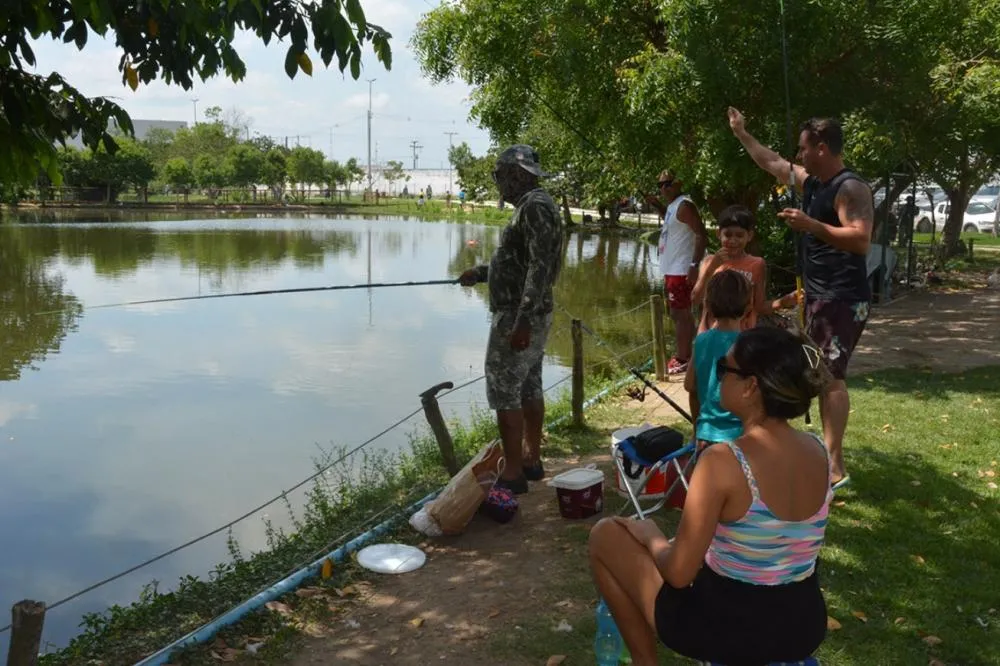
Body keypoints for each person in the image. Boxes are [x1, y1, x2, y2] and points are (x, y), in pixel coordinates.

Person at [589, 326, 833, 666]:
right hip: (800, 628)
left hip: (728, 631)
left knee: (605, 536)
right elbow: (773, 542)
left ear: (750, 387)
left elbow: (678, 574)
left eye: (723, 369)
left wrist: (652, 537)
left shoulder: (722, 461)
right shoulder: (819, 451)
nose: (716, 378)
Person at [728, 107, 873, 489]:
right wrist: (741, 132)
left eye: (804, 148)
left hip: (842, 296)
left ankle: (834, 468)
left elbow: (860, 239)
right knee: (820, 373)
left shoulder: (850, 188)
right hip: (819, 295)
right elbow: (772, 162)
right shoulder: (812, 184)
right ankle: (825, 460)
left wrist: (811, 224)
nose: (799, 155)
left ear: (821, 148)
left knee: (831, 378)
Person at [459, 145, 563, 494]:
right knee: (529, 385)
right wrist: (482, 273)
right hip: (526, 312)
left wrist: (523, 320)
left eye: (500, 175)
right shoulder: (534, 206)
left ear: (517, 174)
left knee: (504, 391)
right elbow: (519, 262)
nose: (499, 182)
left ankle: (513, 472)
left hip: (520, 315)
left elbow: (540, 267)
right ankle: (530, 460)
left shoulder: (534, 207)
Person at [644, 171, 708, 375]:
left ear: (679, 183)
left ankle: (682, 358)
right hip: (672, 269)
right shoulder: (673, 206)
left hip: (681, 269)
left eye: (667, 183)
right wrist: (657, 205)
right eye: (660, 185)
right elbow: (673, 222)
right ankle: (687, 355)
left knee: (680, 313)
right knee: (679, 313)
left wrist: (694, 265)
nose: (663, 188)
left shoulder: (685, 205)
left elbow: (701, 234)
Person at [684, 269, 750, 450]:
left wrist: (696, 429)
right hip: (740, 437)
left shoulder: (701, 341)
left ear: (708, 306)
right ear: (747, 308)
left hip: (705, 436)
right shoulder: (749, 344)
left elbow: (690, 386)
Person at [691, 204, 772, 332]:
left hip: (742, 337)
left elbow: (760, 306)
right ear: (718, 234)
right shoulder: (709, 261)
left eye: (739, 235)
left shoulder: (757, 264)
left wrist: (785, 301)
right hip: (710, 335)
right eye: (728, 235)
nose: (733, 240)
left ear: (749, 236)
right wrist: (711, 268)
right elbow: (695, 299)